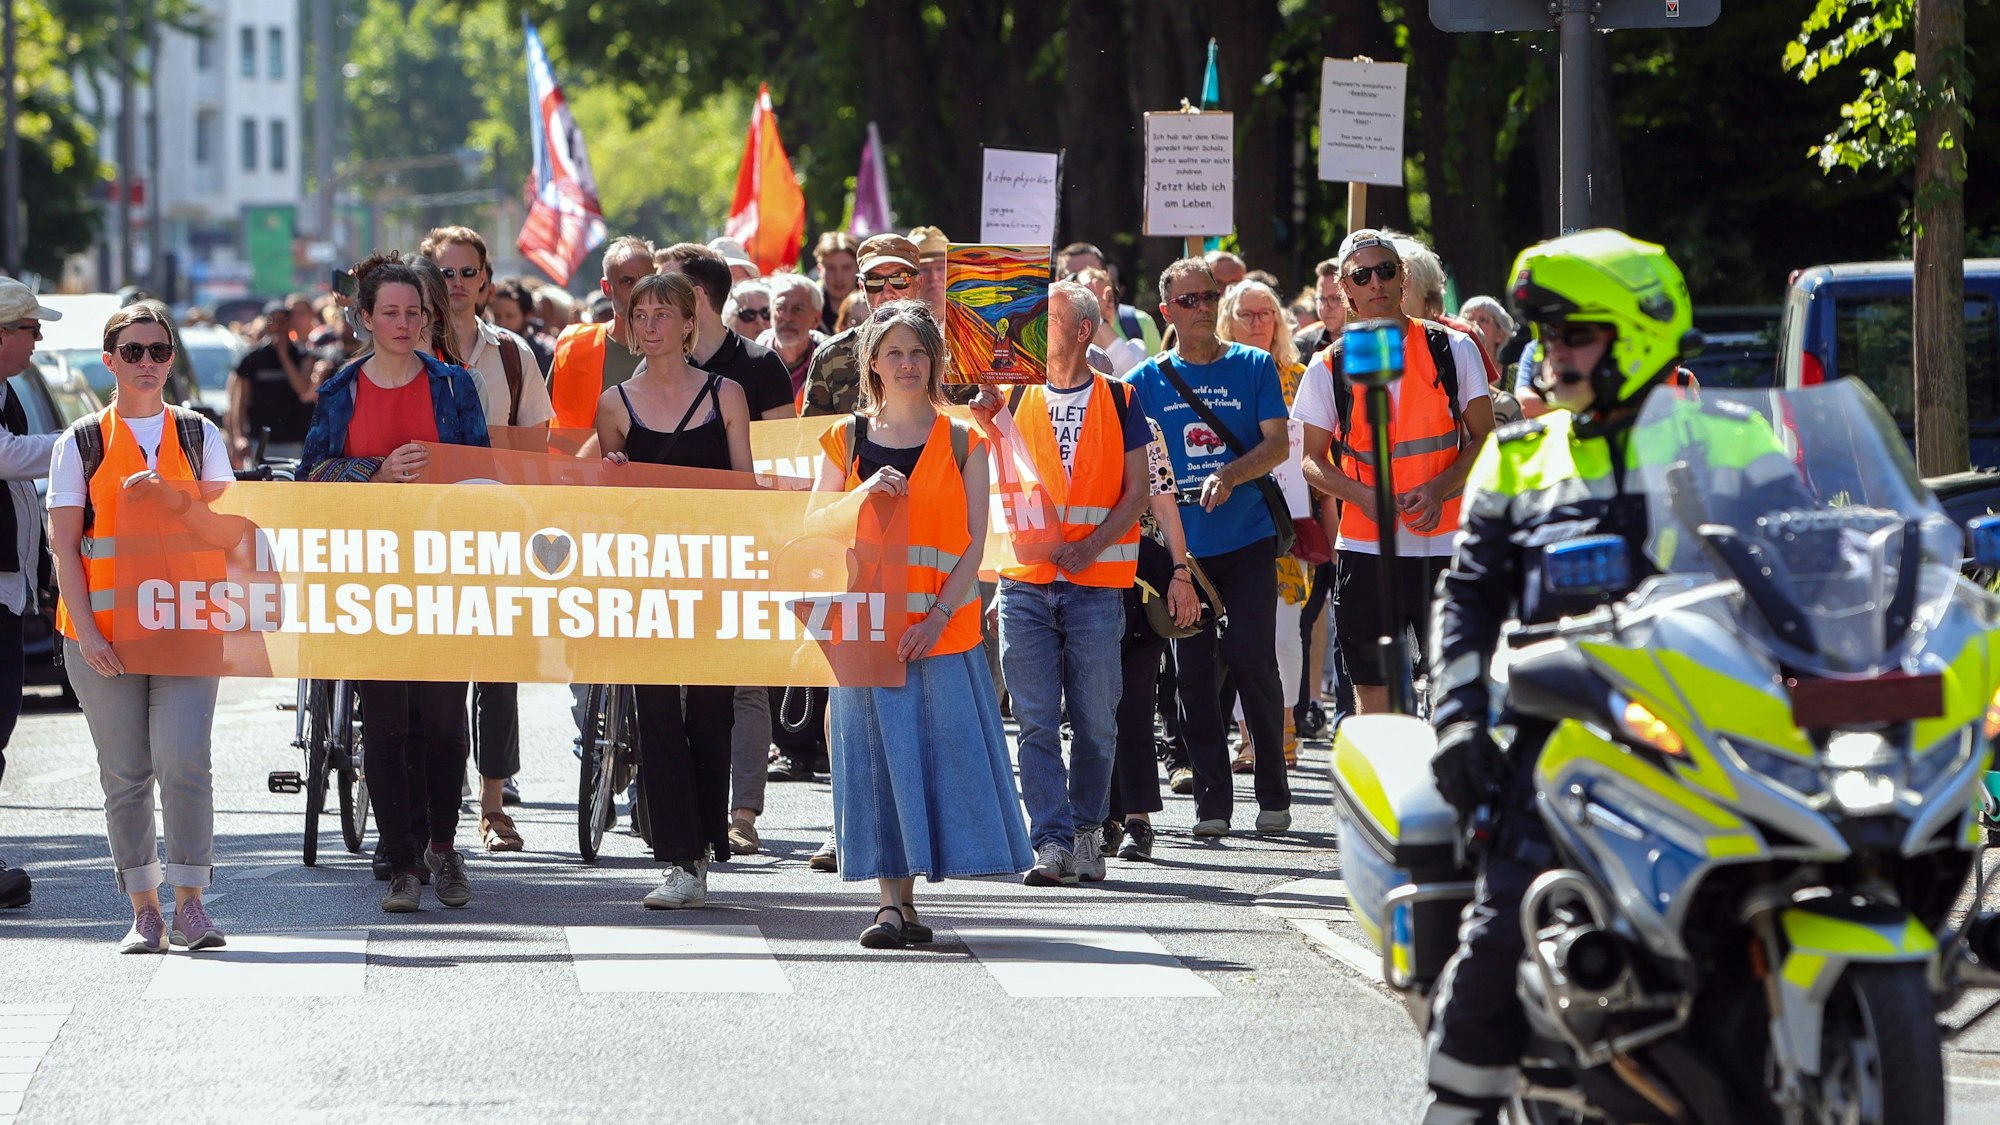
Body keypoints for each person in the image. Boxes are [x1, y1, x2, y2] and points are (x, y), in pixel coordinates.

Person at [1418, 229, 1787, 1124]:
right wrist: (1461, 723)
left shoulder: (1734, 438)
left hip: (1719, 733)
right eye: (1544, 337)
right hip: (1570, 740)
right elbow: (1465, 603)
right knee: (1508, 924)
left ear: (1639, 333)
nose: (1552, 356)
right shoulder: (1516, 458)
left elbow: (1803, 575)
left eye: (1572, 334)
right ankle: (1455, 1109)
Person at [814, 300, 1031, 947]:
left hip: (939, 635)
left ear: (935, 362)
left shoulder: (965, 440)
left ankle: (906, 904)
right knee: (878, 764)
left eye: (918, 353)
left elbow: (974, 544)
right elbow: (815, 523)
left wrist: (938, 616)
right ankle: (889, 903)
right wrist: (860, 494)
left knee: (926, 766)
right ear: (873, 364)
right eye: (894, 353)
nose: (907, 364)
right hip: (867, 634)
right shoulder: (845, 438)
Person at [300, 257, 490, 913]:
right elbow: (312, 477)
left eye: (415, 312)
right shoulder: (339, 389)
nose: (404, 323)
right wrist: (371, 476)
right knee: (382, 726)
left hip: (443, 573)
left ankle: (444, 845)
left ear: (428, 317)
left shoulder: (454, 386)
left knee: (442, 722)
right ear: (366, 318)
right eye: (391, 312)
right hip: (369, 575)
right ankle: (402, 861)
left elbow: (482, 477)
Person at [49, 301, 234, 950]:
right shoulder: (81, 442)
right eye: (134, 352)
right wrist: (90, 635)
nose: (148, 363)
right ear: (110, 361)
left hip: (187, 626)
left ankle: (191, 903)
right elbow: (65, 546)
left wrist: (172, 498)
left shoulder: (198, 435)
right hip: (103, 638)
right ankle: (143, 909)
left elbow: (228, 530)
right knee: (125, 772)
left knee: (184, 760)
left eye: (159, 351)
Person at [972, 281, 1150, 886]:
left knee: (1097, 719)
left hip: (1095, 583)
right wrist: (986, 421)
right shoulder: (1009, 399)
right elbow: (997, 484)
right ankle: (1050, 840)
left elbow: (1138, 493)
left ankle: (1087, 830)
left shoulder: (1122, 399)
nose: (1029, 323)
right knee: (1037, 719)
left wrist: (1092, 546)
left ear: (1080, 330)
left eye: (1044, 316)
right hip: (1025, 581)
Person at [593, 271, 754, 905]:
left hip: (714, 570)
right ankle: (680, 858)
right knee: (655, 711)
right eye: (641, 314)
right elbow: (606, 498)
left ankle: (706, 839)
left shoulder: (727, 395)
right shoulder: (615, 404)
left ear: (690, 323)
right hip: (645, 573)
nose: (651, 324)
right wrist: (611, 474)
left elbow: (745, 486)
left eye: (664, 313)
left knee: (711, 712)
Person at [1294, 229, 1495, 719]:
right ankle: (1386, 788)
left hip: (1444, 541)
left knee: (1455, 685)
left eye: (1386, 270)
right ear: (1345, 289)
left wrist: (1438, 489)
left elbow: (1486, 439)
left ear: (1404, 277)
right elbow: (1310, 461)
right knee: (1374, 689)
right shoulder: (1329, 364)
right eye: (1362, 275)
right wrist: (1361, 496)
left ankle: (1450, 785)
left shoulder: (1452, 348)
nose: (1376, 283)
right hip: (1366, 547)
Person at [1123, 258, 1292, 839]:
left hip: (1246, 538)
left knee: (1250, 658)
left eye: (1208, 297)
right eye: (1188, 299)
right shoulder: (1143, 380)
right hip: (1183, 553)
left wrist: (1231, 474)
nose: (1200, 307)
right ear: (1166, 310)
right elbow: (1132, 466)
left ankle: (1273, 792)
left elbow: (1277, 447)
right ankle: (1212, 806)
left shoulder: (1253, 365)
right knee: (1192, 677)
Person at [419, 226, 557, 852]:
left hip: (496, 525)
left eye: (466, 273)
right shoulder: (406, 345)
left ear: (486, 281)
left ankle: (494, 803)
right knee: (430, 669)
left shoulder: (512, 356)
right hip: (419, 528)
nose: (455, 284)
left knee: (498, 670)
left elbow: (534, 453)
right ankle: (428, 804)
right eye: (443, 273)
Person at [1216, 279, 1310, 772]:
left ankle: (1284, 729)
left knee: (1285, 630)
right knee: (1241, 634)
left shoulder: (1299, 375)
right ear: (1227, 320)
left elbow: (1319, 447)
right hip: (1232, 521)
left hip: (1288, 522)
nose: (1257, 323)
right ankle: (1250, 735)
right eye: (1246, 314)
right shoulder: (1219, 376)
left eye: (1265, 313)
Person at [0, 281, 59, 907]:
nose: (38, 340)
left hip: (10, 588)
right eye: (30, 329)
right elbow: (9, 458)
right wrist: (81, 446)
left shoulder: (10, 393)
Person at [799, 233, 925, 418]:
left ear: (918, 283)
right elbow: (813, 440)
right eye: (875, 281)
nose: (888, 292)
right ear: (861, 286)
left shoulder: (948, 353)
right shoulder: (831, 357)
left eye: (900, 279)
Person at [548, 235, 654, 429]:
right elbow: (550, 428)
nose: (639, 290)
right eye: (627, 281)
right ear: (607, 287)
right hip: (579, 459)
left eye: (647, 280)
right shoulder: (574, 347)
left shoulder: (678, 350)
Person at [227, 300, 315, 466]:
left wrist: (284, 355)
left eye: (282, 321)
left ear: (289, 323)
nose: (277, 326)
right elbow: (239, 400)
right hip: (259, 441)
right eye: (272, 321)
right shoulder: (252, 358)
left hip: (294, 440)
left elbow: (303, 389)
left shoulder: (301, 355)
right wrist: (238, 437)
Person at [1058, 242, 1162, 353]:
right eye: (1073, 275)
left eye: (1090, 272)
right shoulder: (1050, 327)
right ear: (1058, 280)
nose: (1082, 282)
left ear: (1106, 275)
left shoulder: (1140, 323)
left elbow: (1151, 370)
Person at [1070, 268, 1148, 377]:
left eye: (1110, 298)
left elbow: (1132, 377)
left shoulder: (1137, 348)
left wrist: (1097, 317)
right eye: (1086, 300)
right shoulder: (1065, 354)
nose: (1108, 305)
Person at [759, 273, 826, 397]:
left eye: (798, 309)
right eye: (780, 307)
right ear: (771, 312)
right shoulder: (749, 360)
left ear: (816, 319)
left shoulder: (829, 363)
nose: (787, 317)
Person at [490, 276, 556, 376]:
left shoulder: (543, 356)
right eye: (497, 316)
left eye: (510, 316)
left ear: (528, 315)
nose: (502, 323)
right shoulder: (487, 352)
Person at [1293, 257, 1347, 359]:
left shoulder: (1368, 344)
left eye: (1334, 298)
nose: (1325, 307)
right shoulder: (1300, 347)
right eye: (1321, 298)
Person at [813, 231, 860, 335]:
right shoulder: (809, 305)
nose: (839, 277)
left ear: (858, 267)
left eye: (846, 268)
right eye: (831, 268)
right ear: (820, 269)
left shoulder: (872, 304)